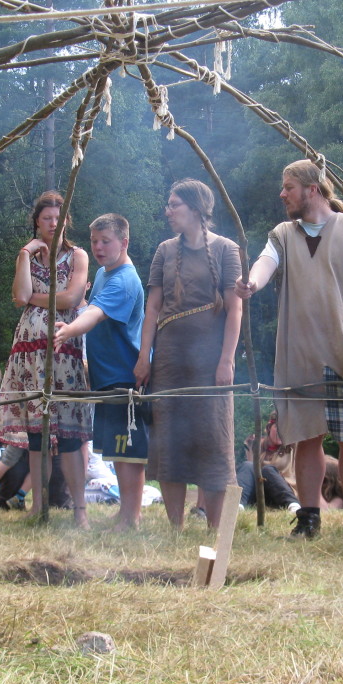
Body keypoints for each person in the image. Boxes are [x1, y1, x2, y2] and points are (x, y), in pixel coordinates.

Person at [235, 159, 343, 539]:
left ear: (312, 189)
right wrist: (251, 283)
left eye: (288, 187)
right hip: (300, 354)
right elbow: (265, 263)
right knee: (306, 438)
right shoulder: (283, 234)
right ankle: (309, 518)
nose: (282, 194)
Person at [135, 179, 242, 530]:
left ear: (195, 209)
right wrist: (144, 357)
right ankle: (175, 527)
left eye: (174, 205)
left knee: (213, 437)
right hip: (169, 359)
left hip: (210, 361)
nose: (167, 211)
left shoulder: (226, 249)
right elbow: (152, 307)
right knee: (169, 438)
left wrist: (226, 360)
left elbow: (235, 309)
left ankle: (215, 528)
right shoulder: (164, 251)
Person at [0, 191, 92, 525]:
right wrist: (24, 254)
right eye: (47, 218)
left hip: (63, 350)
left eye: (58, 218)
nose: (53, 224)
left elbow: (71, 298)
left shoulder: (78, 256)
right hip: (29, 353)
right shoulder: (29, 256)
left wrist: (34, 297)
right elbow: (18, 295)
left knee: (69, 435)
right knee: (37, 435)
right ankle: (37, 508)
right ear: (37, 221)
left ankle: (79, 510)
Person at [54, 213, 148, 530]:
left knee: (129, 449)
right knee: (117, 448)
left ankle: (132, 517)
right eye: (94, 241)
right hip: (107, 376)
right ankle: (126, 512)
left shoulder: (124, 280)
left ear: (124, 242)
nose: (98, 247)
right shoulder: (104, 273)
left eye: (106, 241)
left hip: (125, 376)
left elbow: (94, 313)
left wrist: (69, 329)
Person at [237, 413, 302, 515]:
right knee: (247, 465)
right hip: (261, 493)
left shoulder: (292, 446)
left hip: (282, 492)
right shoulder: (258, 445)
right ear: (269, 428)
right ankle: (238, 505)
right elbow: (251, 473)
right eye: (277, 427)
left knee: (268, 470)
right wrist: (251, 447)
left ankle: (293, 505)